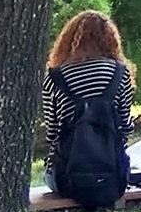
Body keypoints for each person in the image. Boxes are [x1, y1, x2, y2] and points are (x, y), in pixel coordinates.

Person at [41, 10, 136, 195]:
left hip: (65, 178)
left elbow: (52, 134)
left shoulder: (54, 77)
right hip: (112, 176)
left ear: (68, 40)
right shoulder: (120, 73)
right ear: (111, 40)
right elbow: (126, 128)